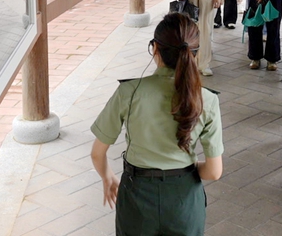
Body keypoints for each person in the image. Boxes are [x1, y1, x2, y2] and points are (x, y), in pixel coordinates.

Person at [90, 13, 224, 236]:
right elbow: (213, 172)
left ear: (155, 49)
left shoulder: (128, 92)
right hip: (184, 201)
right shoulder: (206, 100)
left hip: (137, 195)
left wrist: (107, 176)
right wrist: (186, 169)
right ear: (194, 54)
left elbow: (97, 153)